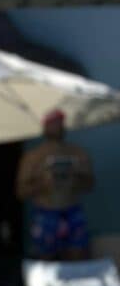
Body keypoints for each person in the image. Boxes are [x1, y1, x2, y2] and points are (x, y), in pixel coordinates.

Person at [16, 109, 94, 260]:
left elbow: (90, 184)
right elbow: (20, 191)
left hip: (72, 210)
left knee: (79, 257)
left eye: (59, 123)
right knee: (45, 261)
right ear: (45, 126)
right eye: (52, 123)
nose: (57, 127)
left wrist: (74, 178)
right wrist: (43, 183)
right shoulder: (33, 157)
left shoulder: (77, 153)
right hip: (46, 212)